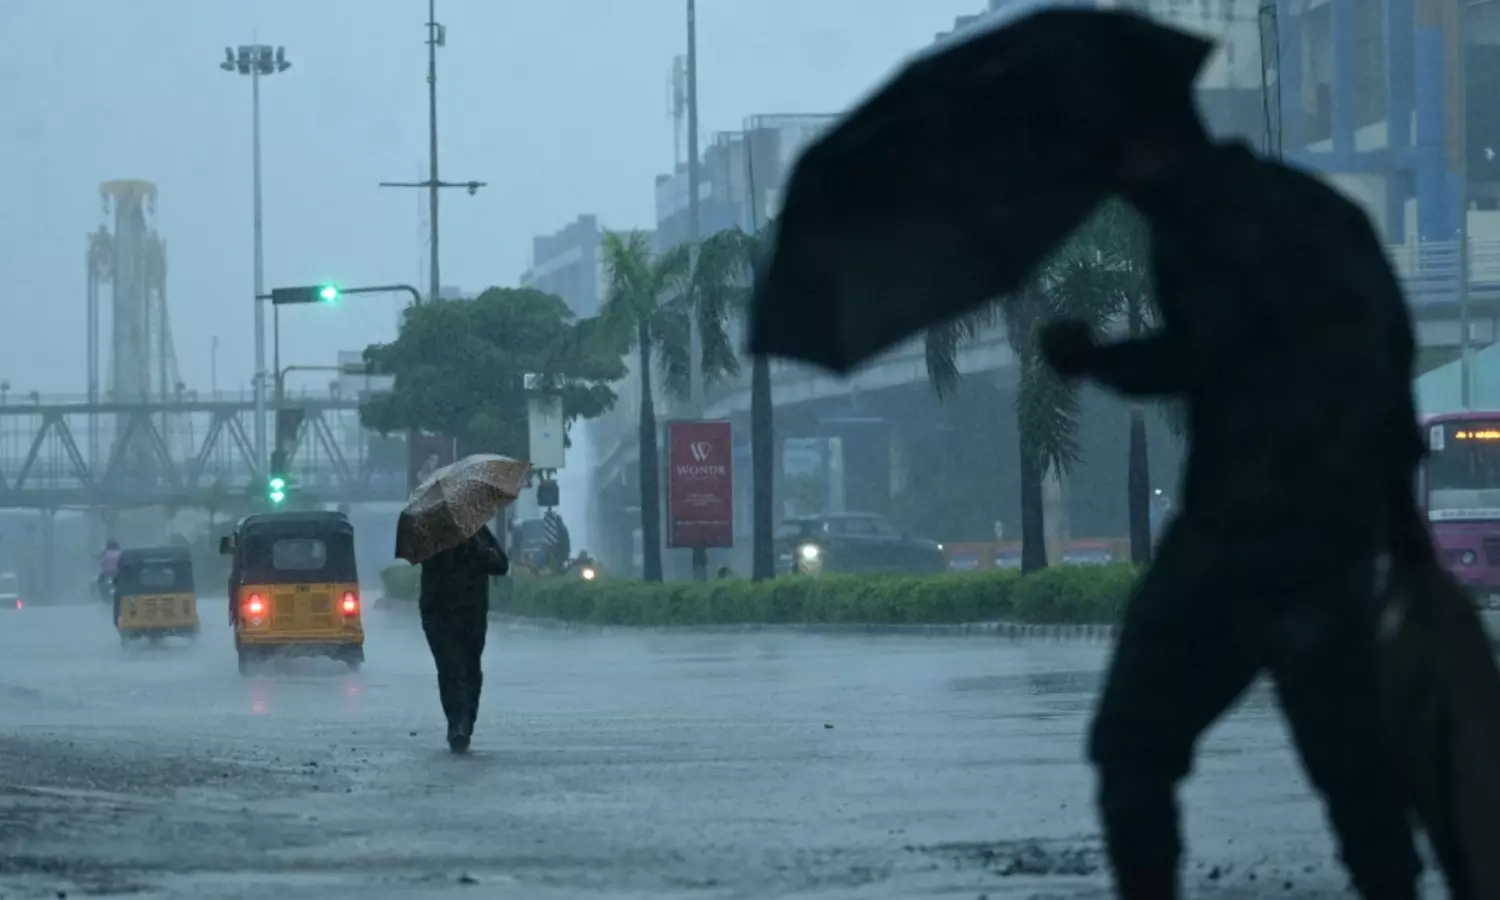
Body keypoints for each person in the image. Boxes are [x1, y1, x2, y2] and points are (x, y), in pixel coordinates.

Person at [1038, 114, 1426, 900]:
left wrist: (1093, 359)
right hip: (1336, 538)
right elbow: (1391, 357)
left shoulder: (1205, 226)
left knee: (1130, 746)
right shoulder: (1320, 211)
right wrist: (1398, 529)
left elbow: (1207, 352)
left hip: (1237, 537)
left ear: (1152, 147)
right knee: (1356, 771)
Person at [419, 524, 509, 753]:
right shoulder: (430, 534)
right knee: (450, 668)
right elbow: (422, 559)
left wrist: (483, 552)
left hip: (472, 613)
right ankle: (456, 723)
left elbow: (501, 565)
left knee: (470, 669)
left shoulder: (480, 533)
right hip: (439, 615)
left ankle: (467, 720)